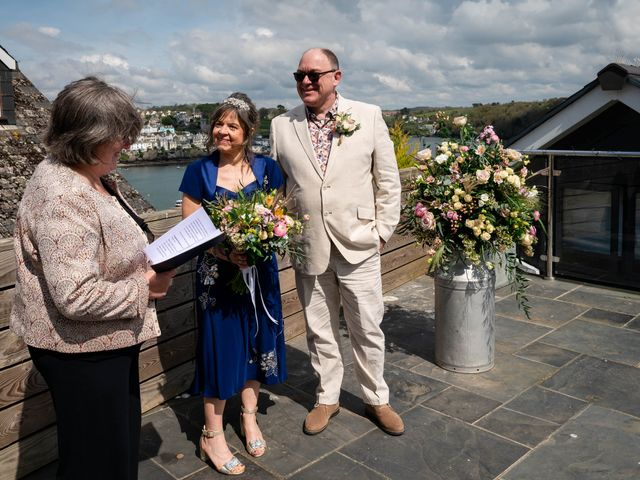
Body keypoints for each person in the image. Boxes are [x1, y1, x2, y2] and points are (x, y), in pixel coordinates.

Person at [10, 77, 176, 480]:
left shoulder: (88, 173)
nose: (128, 146)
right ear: (87, 138)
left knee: (111, 450)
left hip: (101, 343)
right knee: (95, 461)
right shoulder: (63, 196)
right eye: (119, 137)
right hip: (81, 351)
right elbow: (75, 296)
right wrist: (146, 288)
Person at [270, 48, 404, 436]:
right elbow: (278, 188)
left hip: (359, 242)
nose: (305, 82)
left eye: (313, 74)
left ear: (336, 77)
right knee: (319, 326)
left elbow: (388, 181)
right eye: (299, 76)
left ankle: (376, 398)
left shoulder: (368, 115)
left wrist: (382, 232)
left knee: (367, 326)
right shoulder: (281, 125)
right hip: (308, 244)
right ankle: (327, 396)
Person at [179, 93, 287, 475]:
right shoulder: (199, 171)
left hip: (261, 273)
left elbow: (278, 217)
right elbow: (191, 231)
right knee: (220, 348)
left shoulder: (270, 170)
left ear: (249, 131)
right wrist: (228, 254)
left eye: (232, 125)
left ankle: (249, 416)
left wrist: (261, 242)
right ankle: (211, 435)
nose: (222, 131)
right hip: (217, 279)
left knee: (260, 341)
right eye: (218, 124)